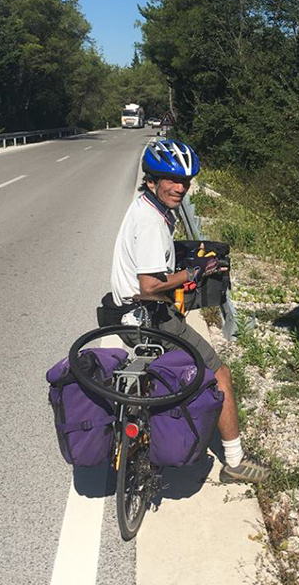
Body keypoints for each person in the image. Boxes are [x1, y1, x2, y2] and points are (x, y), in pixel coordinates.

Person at [109, 138, 268, 485]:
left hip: (124, 314)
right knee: (220, 373)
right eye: (171, 179)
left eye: (185, 181)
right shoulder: (152, 223)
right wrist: (195, 273)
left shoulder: (146, 208)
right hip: (149, 318)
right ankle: (235, 463)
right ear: (151, 180)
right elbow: (150, 286)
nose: (180, 188)